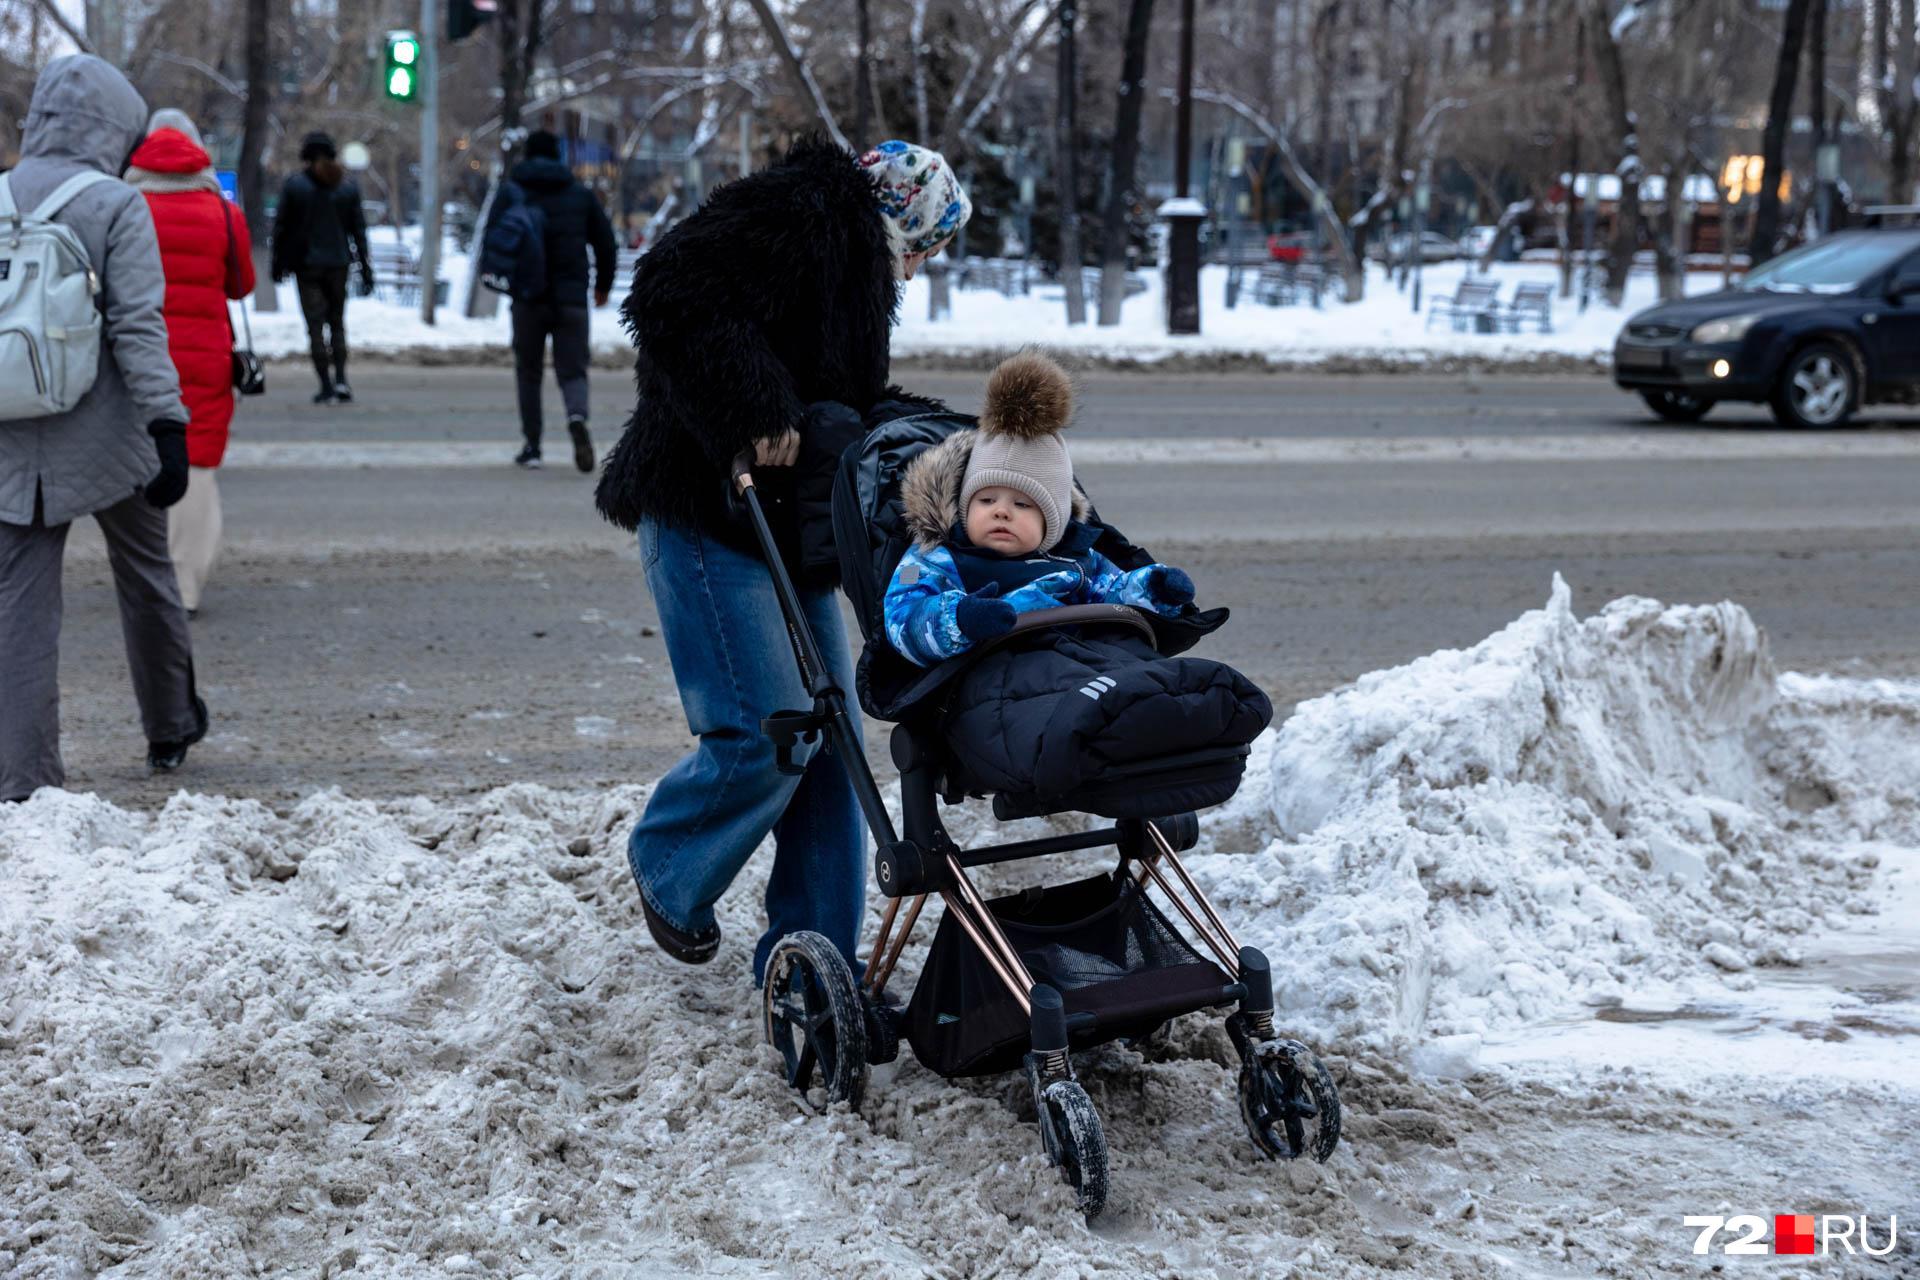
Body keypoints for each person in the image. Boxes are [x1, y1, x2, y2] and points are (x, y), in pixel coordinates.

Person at [594, 137, 971, 980]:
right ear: (910, 219)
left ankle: (815, 957)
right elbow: (669, 293)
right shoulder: (807, 215)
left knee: (831, 742)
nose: (921, 267)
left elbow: (847, 402)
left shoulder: (854, 270)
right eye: (928, 247)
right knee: (771, 730)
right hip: (704, 510)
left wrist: (944, 443)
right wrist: (756, 406)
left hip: (780, 529)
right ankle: (668, 863)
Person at [0, 55, 204, 802]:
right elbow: (139, 330)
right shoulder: (117, 205)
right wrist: (168, 425)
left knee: (19, 606)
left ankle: (24, 782)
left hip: (13, 434)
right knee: (147, 576)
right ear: (115, 128)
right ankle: (170, 725)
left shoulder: (0, 193)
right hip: (113, 437)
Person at [882, 351, 1195, 669]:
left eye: (1022, 505)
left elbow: (1114, 591)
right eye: (986, 501)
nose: (1002, 512)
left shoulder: (1078, 560)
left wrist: (1154, 589)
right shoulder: (938, 558)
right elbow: (903, 618)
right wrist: (960, 620)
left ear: (1053, 521)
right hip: (993, 676)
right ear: (963, 507)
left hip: (1082, 666)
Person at [125, 109, 256, 617]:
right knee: (196, 462)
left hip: (138, 352)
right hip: (203, 355)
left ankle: (139, 574)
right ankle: (184, 587)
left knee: (137, 457)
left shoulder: (124, 204)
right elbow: (241, 285)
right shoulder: (222, 213)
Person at [491, 129, 617, 472]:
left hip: (527, 298)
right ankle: (577, 417)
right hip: (572, 296)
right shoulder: (579, 194)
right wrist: (603, 285)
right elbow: (606, 242)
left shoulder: (512, 193)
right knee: (573, 369)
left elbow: (494, 236)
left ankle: (532, 445)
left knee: (528, 371)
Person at [271, 132, 371, 405]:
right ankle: (341, 380)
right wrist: (365, 267)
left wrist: (277, 264)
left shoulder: (295, 187)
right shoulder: (347, 187)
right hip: (339, 264)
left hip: (306, 266)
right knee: (337, 323)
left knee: (315, 326)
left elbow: (281, 229)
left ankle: (325, 385)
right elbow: (358, 231)